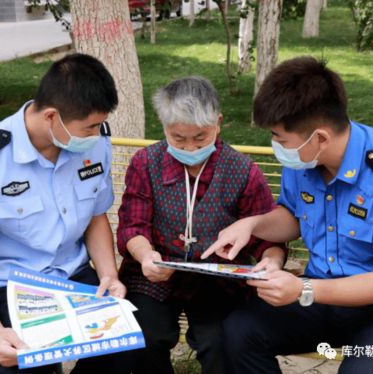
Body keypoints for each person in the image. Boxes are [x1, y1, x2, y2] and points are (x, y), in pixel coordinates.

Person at [202, 56, 373, 373]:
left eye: (280, 139)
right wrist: (252, 225)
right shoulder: (305, 160)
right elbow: (293, 218)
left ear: (319, 137)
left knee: (364, 370)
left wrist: (304, 290)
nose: (276, 145)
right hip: (324, 295)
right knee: (239, 333)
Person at [0, 53, 135, 373]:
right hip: (11, 286)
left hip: (73, 275)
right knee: (29, 364)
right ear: (51, 117)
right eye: (88, 127)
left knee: (123, 350)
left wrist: (108, 274)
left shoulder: (95, 142)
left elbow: (95, 216)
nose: (95, 135)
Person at [116, 76, 286, 374]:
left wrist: (271, 262)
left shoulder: (243, 172)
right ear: (163, 125)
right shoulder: (146, 163)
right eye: (178, 139)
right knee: (144, 334)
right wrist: (146, 256)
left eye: (201, 137)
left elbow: (268, 238)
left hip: (217, 281)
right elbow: (133, 225)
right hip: (154, 273)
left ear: (218, 123)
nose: (191, 148)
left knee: (221, 339)